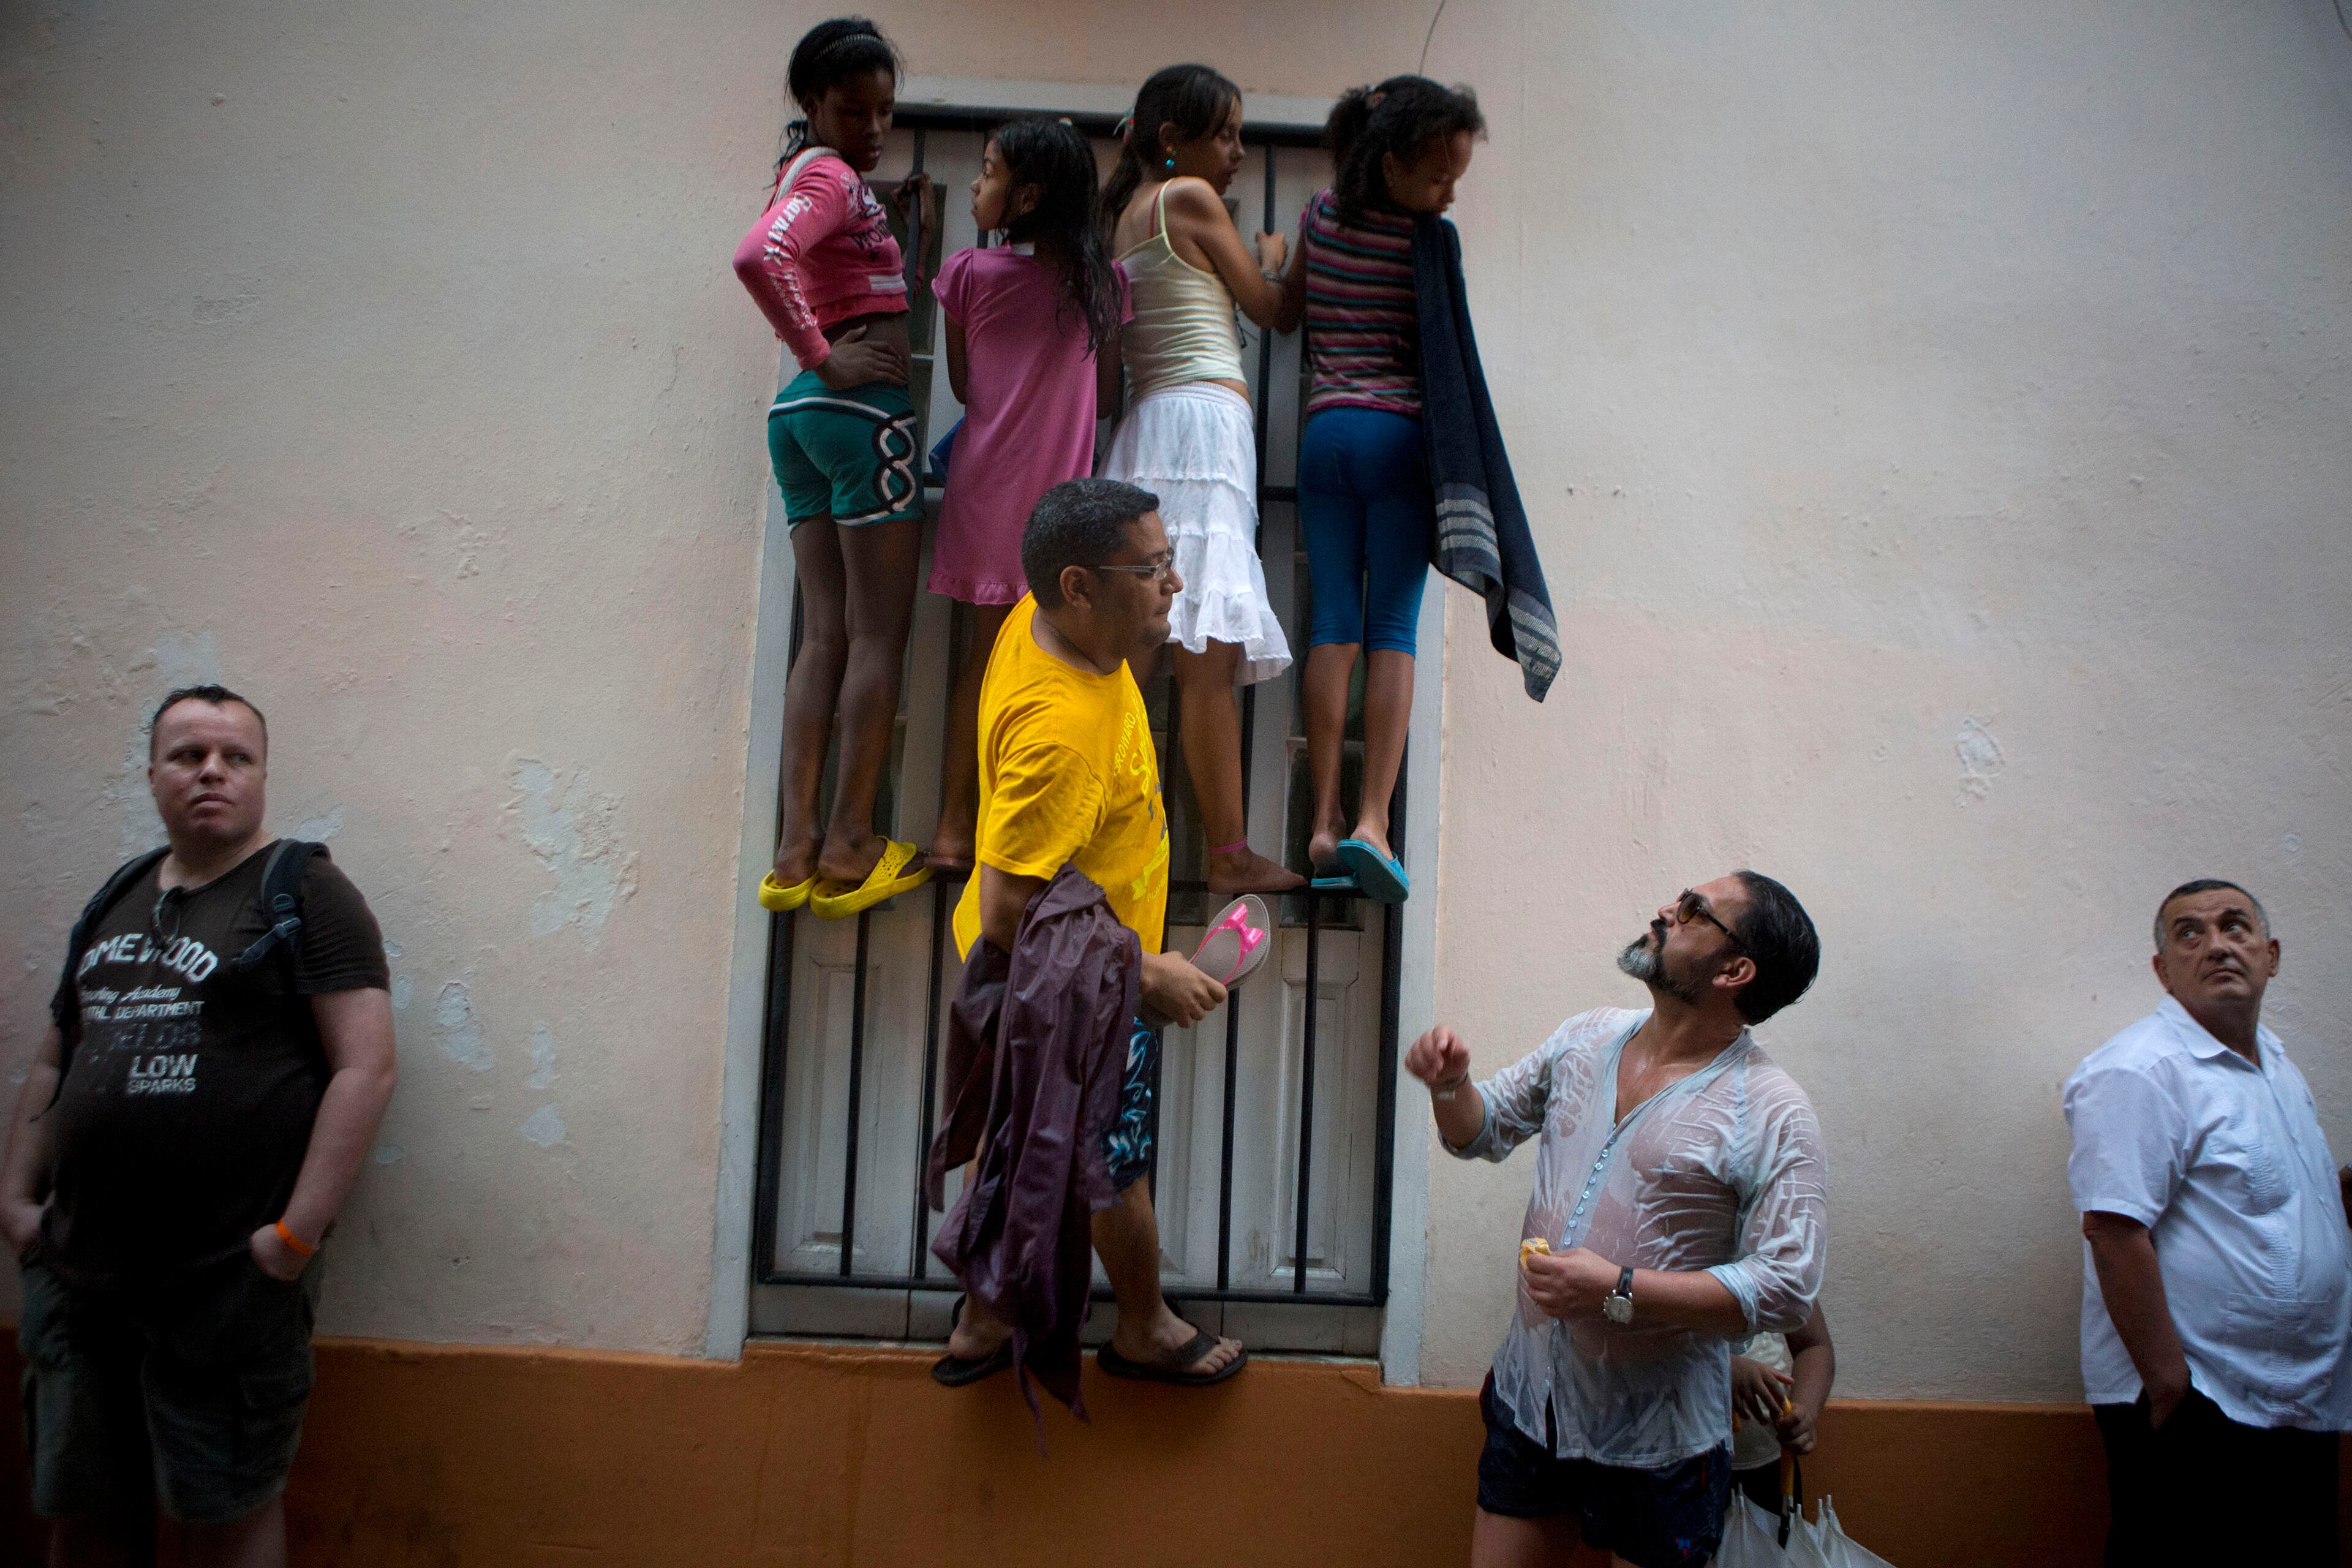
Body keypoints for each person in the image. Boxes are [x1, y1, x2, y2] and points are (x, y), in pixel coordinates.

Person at [1, 685, 398, 1568]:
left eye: (235, 757)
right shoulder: (118, 896)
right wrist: (16, 1203)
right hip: (79, 1269)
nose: (211, 771)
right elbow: (55, 1057)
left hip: (224, 1280)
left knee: (226, 1513)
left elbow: (364, 1070)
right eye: (187, 755)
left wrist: (292, 1238)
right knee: (83, 1510)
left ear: (261, 776)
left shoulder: (305, 890)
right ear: (152, 774)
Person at [1409, 874, 1826, 1568]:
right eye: (1680, 897)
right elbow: (1483, 1130)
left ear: (1736, 970)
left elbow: (1785, 1285)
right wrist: (1451, 1086)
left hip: (1662, 1445)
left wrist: (1616, 1288)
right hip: (1532, 1406)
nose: (1667, 909)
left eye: (1695, 912)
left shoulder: (1774, 1110)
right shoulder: (1586, 1037)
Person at [932, 478, 1246, 1388]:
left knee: (1022, 1132)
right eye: (1151, 570)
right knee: (1114, 1157)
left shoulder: (1045, 623)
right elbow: (1007, 912)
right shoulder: (1059, 733)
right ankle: (1143, 1327)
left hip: (1058, 970)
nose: (1174, 585)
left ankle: (982, 1325)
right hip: (1077, 983)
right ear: (1078, 586)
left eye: (1168, 561)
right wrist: (1143, 972)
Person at [2064, 879, 2350, 1564]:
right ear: (2163, 970)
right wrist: (2172, 1393)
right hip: (2201, 1409)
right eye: (2189, 933)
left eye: (2234, 926)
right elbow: (2114, 1230)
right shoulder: (2141, 1070)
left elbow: (2269, 1203)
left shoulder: (2276, 1066)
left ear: (2271, 954)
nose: (2217, 944)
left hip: (2294, 1401)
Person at [734, 17, 931, 919]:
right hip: (857, 413)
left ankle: (795, 848)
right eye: (854, 110)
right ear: (812, 105)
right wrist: (825, 355)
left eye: (885, 110)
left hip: (801, 422)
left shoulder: (805, 174)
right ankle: (854, 838)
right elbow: (756, 256)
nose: (873, 128)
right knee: (878, 634)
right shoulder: (829, 174)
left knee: (824, 635)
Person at [1271, 76, 1484, 902]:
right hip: (1398, 440)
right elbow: (1446, 358)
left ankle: (1319, 825)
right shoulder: (1429, 243)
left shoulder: (1320, 217)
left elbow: (1289, 312)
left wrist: (1266, 259)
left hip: (1325, 439)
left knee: (1333, 623)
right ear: (1392, 162)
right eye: (1439, 176)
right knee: (1392, 628)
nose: (1449, 192)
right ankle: (1372, 821)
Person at [1099, 64, 1300, 897]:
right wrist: (1274, 258)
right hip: (1203, 435)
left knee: (1134, 650)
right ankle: (1227, 854)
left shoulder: (1127, 216)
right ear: (1172, 139)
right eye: (1224, 134)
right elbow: (1272, 310)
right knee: (1204, 658)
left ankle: (1100, 840)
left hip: (1149, 428)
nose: (1238, 153)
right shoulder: (1189, 200)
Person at [926, 116, 1130, 872]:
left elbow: (964, 386)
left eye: (987, 171)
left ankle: (954, 828)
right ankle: (1042, 844)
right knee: (1061, 674)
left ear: (1028, 195)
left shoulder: (968, 276)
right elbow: (1107, 394)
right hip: (1063, 515)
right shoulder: (1102, 287)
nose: (977, 185)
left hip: (985, 490)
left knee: (982, 664)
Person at [1727, 1302, 1835, 1518]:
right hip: (1674, 1472)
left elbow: (1813, 1345)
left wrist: (1804, 1412)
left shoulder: (1778, 1268)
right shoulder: (1654, 1271)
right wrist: (1720, 1368)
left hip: (1770, 1467)